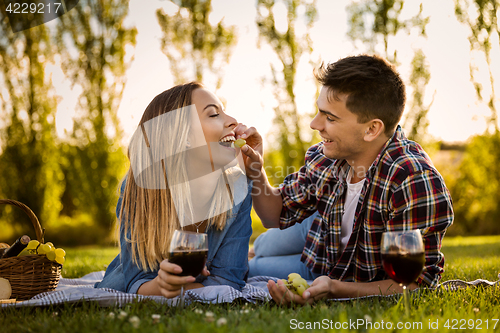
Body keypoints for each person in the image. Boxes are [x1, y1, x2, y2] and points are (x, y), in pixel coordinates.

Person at [239, 55, 454, 305]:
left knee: (251, 270)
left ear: (371, 129)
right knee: (264, 245)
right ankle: (255, 251)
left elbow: (414, 283)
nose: (314, 124)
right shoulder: (328, 156)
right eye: (319, 111)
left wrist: (333, 289)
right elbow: (273, 216)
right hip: (320, 231)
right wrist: (256, 169)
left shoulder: (412, 180)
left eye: (330, 118)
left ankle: (253, 256)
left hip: (331, 265)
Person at [95, 82, 254, 298]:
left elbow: (229, 281)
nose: (233, 121)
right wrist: (161, 285)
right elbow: (137, 280)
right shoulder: (141, 189)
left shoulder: (238, 188)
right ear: (183, 136)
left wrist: (181, 290)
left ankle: (260, 254)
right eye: (214, 114)